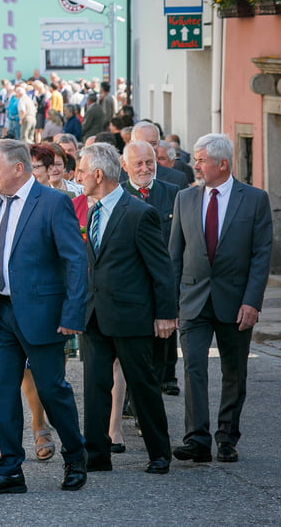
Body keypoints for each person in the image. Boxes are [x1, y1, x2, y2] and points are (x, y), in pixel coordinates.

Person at [0, 139, 88, 495]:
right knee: (4, 391)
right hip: (0, 313)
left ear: (19, 168)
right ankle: (10, 469)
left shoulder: (53, 202)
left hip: (43, 314)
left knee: (52, 390)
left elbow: (75, 261)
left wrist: (72, 313)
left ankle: (76, 456)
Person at [170, 133, 273, 464]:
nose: (195, 165)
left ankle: (227, 437)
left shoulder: (254, 199)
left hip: (236, 301)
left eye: (201, 160)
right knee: (194, 368)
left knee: (234, 372)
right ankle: (197, 439)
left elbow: (261, 256)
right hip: (193, 299)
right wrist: (171, 303)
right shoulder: (185, 198)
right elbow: (175, 254)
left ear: (223, 164)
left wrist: (252, 302)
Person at [76, 143, 176, 475]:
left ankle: (159, 452)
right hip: (95, 315)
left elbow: (161, 268)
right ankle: (96, 454)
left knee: (143, 385)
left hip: (131, 316)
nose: (78, 177)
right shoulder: (92, 211)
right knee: (95, 386)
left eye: (81, 171)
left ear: (98, 175)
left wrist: (165, 314)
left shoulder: (138, 213)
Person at [122, 140, 180, 396]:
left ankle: (156, 389)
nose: (145, 168)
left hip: (163, 282)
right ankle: (130, 399)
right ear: (125, 166)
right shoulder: (118, 194)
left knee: (161, 343)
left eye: (150, 162)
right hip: (130, 286)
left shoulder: (174, 193)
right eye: (139, 164)